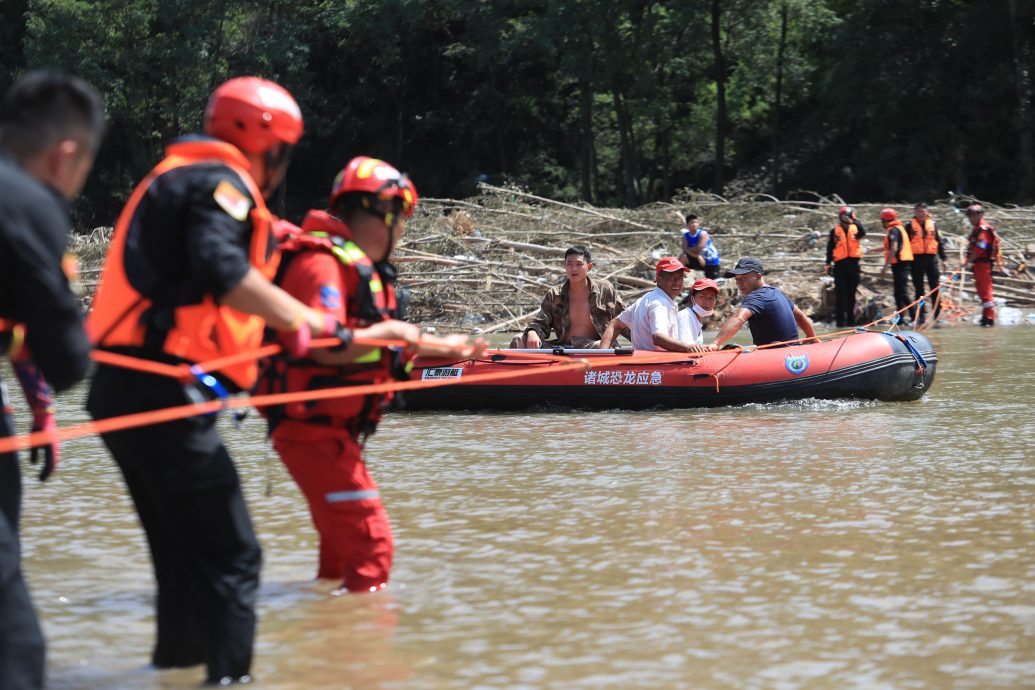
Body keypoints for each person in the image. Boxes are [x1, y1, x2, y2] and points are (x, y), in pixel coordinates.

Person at [85, 77, 341, 686]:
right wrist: (300, 316)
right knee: (233, 554)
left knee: (181, 557)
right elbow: (221, 270)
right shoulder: (219, 184)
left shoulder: (181, 178)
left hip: (123, 389)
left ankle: (174, 669)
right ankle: (228, 680)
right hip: (160, 392)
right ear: (267, 144)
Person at [263, 156, 482, 593]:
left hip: (334, 431)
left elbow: (375, 336)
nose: (401, 233)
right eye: (400, 221)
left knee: (340, 555)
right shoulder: (322, 263)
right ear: (383, 216)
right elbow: (326, 345)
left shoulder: (350, 265)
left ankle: (323, 629)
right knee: (372, 548)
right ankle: (361, 655)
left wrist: (452, 347)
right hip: (312, 432)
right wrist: (395, 330)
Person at [0, 71, 103, 690]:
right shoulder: (25, 199)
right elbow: (66, 358)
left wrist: (38, 411)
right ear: (66, 155)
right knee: (14, 640)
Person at [510, 246, 626, 349]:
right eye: (569, 264)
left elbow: (626, 320)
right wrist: (532, 332)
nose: (574, 269)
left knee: (599, 346)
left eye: (579, 264)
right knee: (518, 339)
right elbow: (541, 322)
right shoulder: (555, 294)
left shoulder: (605, 290)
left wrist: (642, 344)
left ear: (589, 267)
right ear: (564, 266)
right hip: (561, 347)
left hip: (593, 346)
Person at [599, 257, 707, 352]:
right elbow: (658, 338)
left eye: (680, 278)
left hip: (641, 361)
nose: (677, 282)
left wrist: (601, 354)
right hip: (656, 363)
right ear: (658, 279)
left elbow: (614, 324)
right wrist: (688, 347)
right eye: (671, 277)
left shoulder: (645, 298)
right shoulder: (659, 304)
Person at [707, 257, 817, 349]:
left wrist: (715, 343)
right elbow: (801, 316)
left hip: (776, 358)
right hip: (794, 353)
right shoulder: (777, 292)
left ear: (759, 276)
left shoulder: (756, 296)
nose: (739, 283)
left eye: (744, 277)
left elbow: (739, 319)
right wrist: (812, 338)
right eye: (737, 279)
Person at [823, 205, 866, 327]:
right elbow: (830, 248)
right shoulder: (834, 231)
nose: (846, 218)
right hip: (840, 266)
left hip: (853, 264)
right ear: (840, 217)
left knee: (851, 295)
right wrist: (827, 263)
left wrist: (854, 220)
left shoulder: (856, 228)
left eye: (848, 215)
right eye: (844, 216)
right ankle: (840, 323)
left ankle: (851, 322)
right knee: (841, 295)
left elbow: (864, 232)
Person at [962, 204, 1003, 327]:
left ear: (980, 215)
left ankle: (989, 317)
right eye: (969, 216)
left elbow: (981, 248)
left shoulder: (983, 230)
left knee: (985, 291)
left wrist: (966, 261)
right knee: (981, 290)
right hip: (978, 264)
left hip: (983, 264)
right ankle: (986, 315)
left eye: (974, 215)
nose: (971, 218)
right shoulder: (977, 229)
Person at [907, 202, 947, 324]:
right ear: (915, 212)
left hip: (931, 260)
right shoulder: (909, 226)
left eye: (923, 212)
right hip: (916, 260)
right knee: (919, 290)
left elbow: (939, 242)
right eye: (918, 211)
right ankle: (921, 316)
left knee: (935, 288)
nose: (920, 214)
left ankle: (937, 315)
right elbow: (905, 244)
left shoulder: (933, 225)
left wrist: (944, 259)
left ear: (927, 212)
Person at [879, 208, 914, 321]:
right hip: (901, 263)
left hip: (900, 264)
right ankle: (901, 318)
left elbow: (893, 248)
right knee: (898, 292)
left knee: (902, 292)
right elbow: (888, 247)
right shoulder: (898, 229)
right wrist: (871, 250)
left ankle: (914, 317)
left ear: (886, 220)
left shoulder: (893, 230)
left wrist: (885, 266)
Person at [676, 277, 720, 345]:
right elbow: (688, 347)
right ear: (692, 299)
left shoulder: (697, 318)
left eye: (711, 298)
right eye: (702, 297)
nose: (707, 301)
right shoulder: (685, 316)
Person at [678, 214, 721, 279]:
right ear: (687, 225)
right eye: (692, 223)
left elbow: (698, 248)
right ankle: (681, 278)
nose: (694, 224)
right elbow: (684, 250)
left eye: (696, 222)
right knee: (682, 257)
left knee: (713, 281)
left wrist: (688, 249)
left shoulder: (703, 234)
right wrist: (697, 256)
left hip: (710, 260)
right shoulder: (685, 236)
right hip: (698, 258)